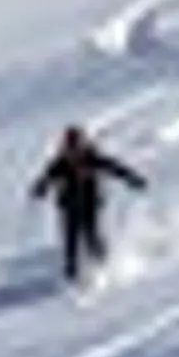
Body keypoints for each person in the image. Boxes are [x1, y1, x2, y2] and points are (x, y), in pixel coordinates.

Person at [29, 123, 146, 288]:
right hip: (69, 208)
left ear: (82, 145)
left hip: (89, 205)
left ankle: (104, 268)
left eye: (76, 147)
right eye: (69, 148)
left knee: (92, 236)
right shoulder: (60, 163)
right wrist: (40, 189)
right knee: (71, 243)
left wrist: (132, 179)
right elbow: (47, 178)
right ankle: (71, 278)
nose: (73, 152)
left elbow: (114, 167)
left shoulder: (92, 158)